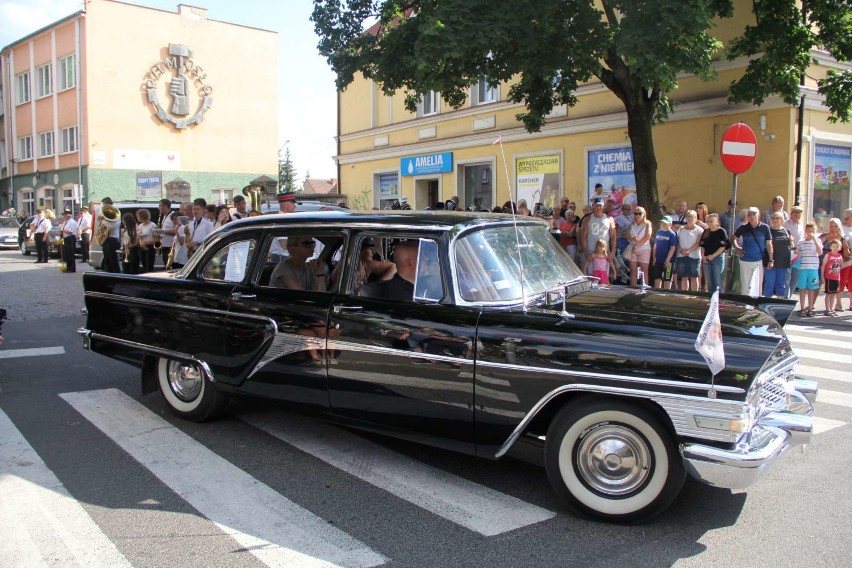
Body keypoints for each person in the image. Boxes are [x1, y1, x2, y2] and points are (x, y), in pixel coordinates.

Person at [733, 206, 772, 298]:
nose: (751, 216)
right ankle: (744, 307)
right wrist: (737, 247)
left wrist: (771, 260)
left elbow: (769, 244)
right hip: (745, 260)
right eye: (749, 214)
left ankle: (755, 307)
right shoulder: (743, 228)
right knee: (745, 287)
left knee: (757, 286)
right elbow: (732, 238)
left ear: (759, 215)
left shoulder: (765, 228)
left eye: (753, 214)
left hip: (758, 260)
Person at [579, 197, 617, 276]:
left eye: (600, 205)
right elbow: (583, 237)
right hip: (591, 251)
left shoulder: (609, 219)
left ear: (603, 206)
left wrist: (612, 252)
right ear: (593, 206)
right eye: (597, 205)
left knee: (603, 275)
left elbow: (613, 237)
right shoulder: (587, 219)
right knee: (590, 275)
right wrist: (586, 253)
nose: (599, 207)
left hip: (604, 253)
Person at [763, 212, 793, 298]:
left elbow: (792, 247)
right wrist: (769, 260)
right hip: (770, 261)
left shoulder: (787, 231)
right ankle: (767, 303)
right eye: (773, 218)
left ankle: (780, 302)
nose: (775, 220)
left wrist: (791, 240)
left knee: (781, 283)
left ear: (782, 220)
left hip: (783, 262)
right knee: (769, 283)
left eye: (777, 218)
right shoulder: (767, 230)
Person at [796, 222, 822, 317]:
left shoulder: (818, 241)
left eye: (812, 231)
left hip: (813, 269)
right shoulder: (801, 242)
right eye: (808, 231)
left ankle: (810, 308)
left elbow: (819, 252)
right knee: (802, 289)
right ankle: (802, 308)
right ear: (805, 231)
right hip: (802, 268)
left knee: (812, 289)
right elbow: (797, 253)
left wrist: (815, 240)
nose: (810, 233)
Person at [700, 213, 729, 294]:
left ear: (716, 221)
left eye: (711, 221)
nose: (709, 223)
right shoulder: (706, 231)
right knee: (709, 281)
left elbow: (723, 246)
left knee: (717, 281)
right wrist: (703, 257)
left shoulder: (721, 231)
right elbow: (702, 245)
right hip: (706, 258)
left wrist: (713, 255)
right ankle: (711, 299)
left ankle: (720, 299)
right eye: (708, 221)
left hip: (717, 258)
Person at [675, 210, 704, 291]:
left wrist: (688, 251)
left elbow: (698, 243)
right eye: (688, 216)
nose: (689, 218)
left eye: (692, 217)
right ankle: (685, 295)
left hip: (694, 257)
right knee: (684, 277)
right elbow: (677, 241)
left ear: (695, 218)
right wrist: (681, 250)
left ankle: (695, 295)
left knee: (694, 277)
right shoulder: (681, 229)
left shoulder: (699, 229)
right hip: (681, 255)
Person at [626, 206, 652, 286]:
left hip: (644, 248)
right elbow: (626, 235)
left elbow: (647, 236)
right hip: (633, 248)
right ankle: (633, 288)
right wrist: (632, 238)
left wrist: (637, 246)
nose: (637, 215)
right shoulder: (632, 224)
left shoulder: (647, 223)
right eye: (636, 213)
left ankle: (645, 289)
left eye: (639, 214)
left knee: (644, 271)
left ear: (643, 214)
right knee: (633, 270)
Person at [784, 205, 805, 298]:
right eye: (795, 212)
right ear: (791, 214)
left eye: (799, 213)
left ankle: (789, 297)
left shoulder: (801, 225)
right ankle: (785, 297)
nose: (797, 215)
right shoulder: (785, 224)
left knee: (795, 277)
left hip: (799, 254)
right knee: (787, 277)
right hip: (788, 253)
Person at [651, 216, 678, 289]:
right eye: (662, 223)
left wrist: (668, 259)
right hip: (658, 259)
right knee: (657, 277)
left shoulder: (672, 234)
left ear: (670, 224)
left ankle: (667, 294)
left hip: (668, 261)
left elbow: (673, 248)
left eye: (665, 223)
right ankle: (656, 293)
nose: (663, 224)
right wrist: (654, 257)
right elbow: (655, 245)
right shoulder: (659, 232)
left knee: (667, 277)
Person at [820, 239, 843, 317]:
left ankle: (831, 309)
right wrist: (822, 277)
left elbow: (842, 266)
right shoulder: (828, 255)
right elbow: (823, 266)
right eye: (833, 246)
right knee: (828, 294)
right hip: (829, 277)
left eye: (837, 246)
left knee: (834, 294)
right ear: (830, 247)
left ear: (840, 248)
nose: (835, 248)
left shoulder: (840, 256)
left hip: (836, 278)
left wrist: (838, 269)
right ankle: (827, 309)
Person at [99, 197, 122, 273]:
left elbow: (112, 227)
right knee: (107, 261)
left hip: (112, 240)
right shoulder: (106, 216)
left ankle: (117, 277)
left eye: (104, 205)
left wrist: (103, 221)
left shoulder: (115, 214)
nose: (103, 207)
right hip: (106, 240)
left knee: (113, 261)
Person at [155, 199, 176, 267]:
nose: (159, 208)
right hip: (164, 245)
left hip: (170, 246)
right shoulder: (164, 216)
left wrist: (162, 231)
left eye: (160, 206)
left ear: (165, 206)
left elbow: (177, 231)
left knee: (169, 267)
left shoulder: (173, 215)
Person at [839, 208, 852, 311]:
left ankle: (851, 304)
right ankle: (838, 303)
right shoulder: (842, 228)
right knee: (842, 281)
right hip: (845, 259)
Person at [136, 208, 156, 273]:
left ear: (142, 216)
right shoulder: (140, 225)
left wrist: (147, 242)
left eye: (138, 216)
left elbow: (157, 238)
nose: (137, 218)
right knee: (144, 265)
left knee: (149, 266)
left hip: (149, 247)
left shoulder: (152, 225)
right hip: (141, 247)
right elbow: (138, 235)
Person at [59, 208, 78, 273]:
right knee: (67, 254)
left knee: (70, 254)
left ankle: (71, 268)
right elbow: (62, 229)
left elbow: (70, 232)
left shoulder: (72, 222)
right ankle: (68, 267)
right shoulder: (65, 222)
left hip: (71, 238)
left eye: (64, 215)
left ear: (68, 215)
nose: (63, 216)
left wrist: (62, 230)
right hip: (66, 238)